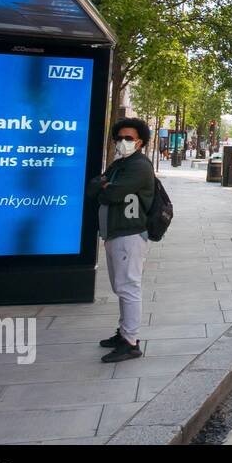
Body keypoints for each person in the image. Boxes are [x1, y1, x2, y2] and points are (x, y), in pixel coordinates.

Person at [86, 118, 155, 363]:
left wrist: (106, 186)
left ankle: (130, 341)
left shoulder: (139, 166)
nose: (123, 142)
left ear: (140, 142)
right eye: (120, 137)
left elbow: (112, 193)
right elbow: (93, 187)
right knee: (121, 287)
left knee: (128, 287)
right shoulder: (120, 165)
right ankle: (124, 332)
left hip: (129, 233)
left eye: (129, 138)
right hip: (115, 233)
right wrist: (104, 184)